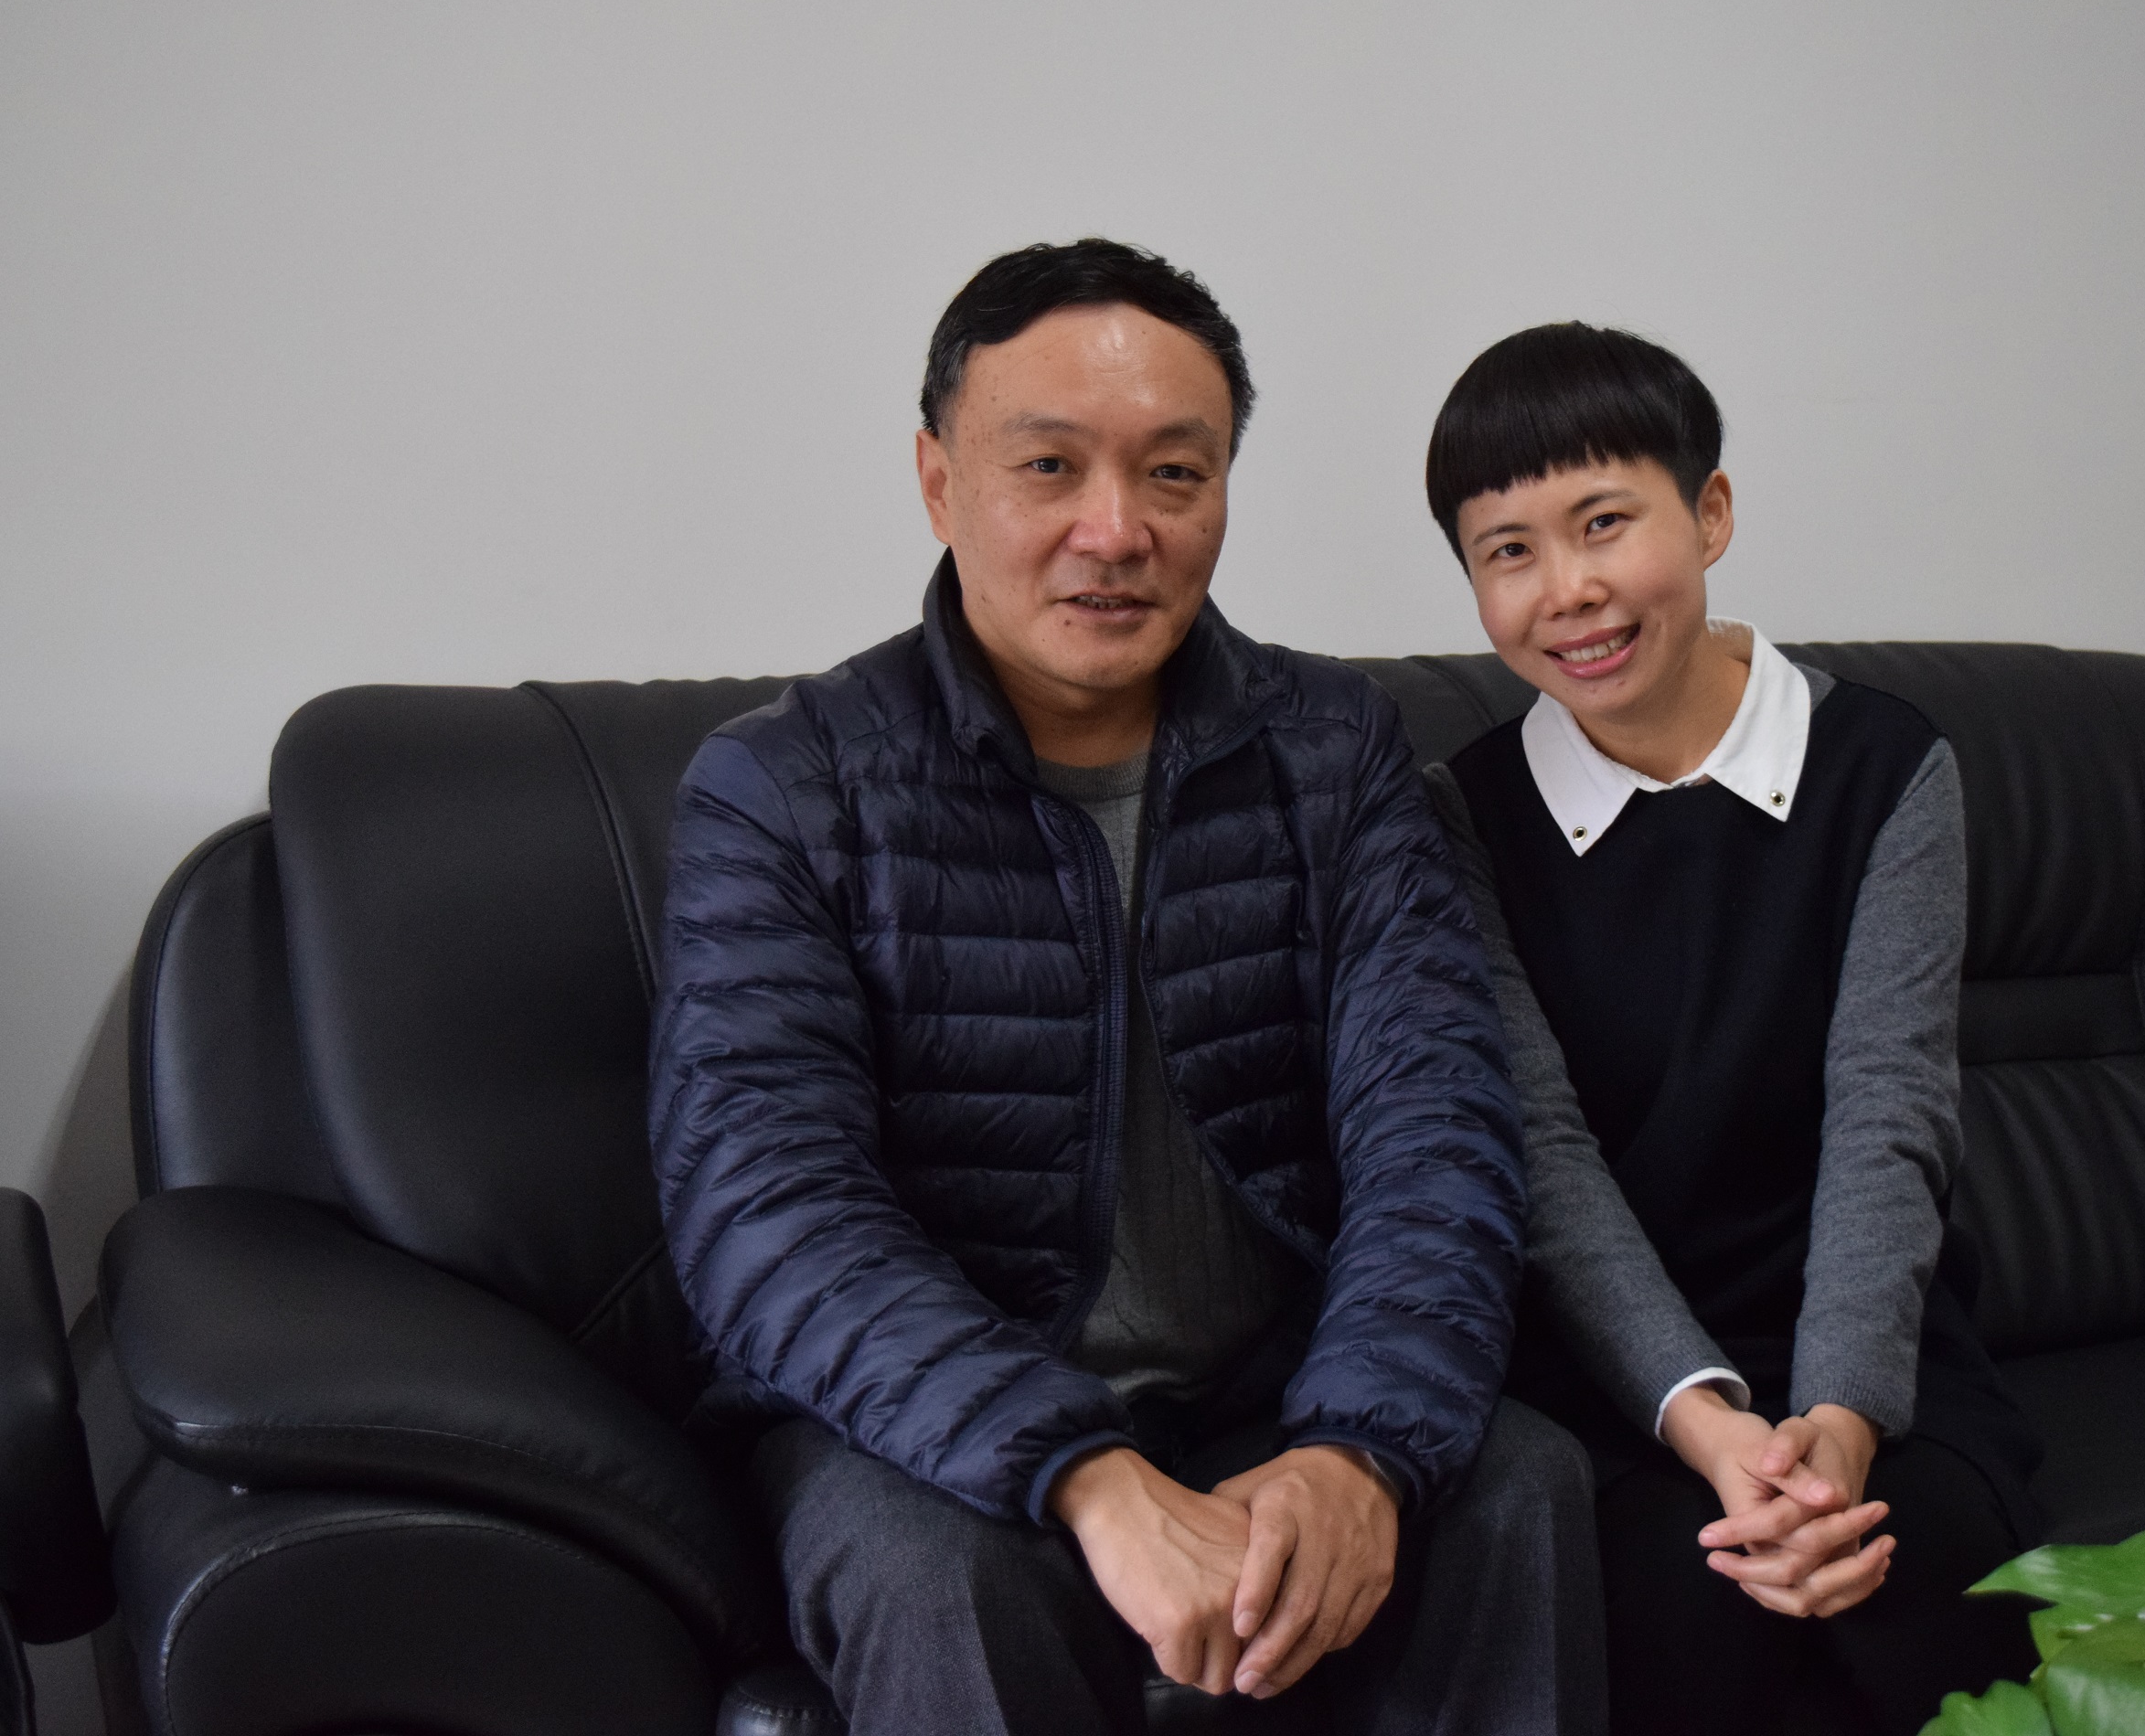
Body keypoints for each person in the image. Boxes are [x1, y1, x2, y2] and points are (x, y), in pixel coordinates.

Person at [650, 240, 1600, 1734]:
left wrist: (1355, 1447)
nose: (1117, 530)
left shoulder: (1333, 750)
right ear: (937, 480)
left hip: (1271, 1389)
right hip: (916, 1423)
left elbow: (1437, 1130)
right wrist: (1084, 1474)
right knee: (947, 1577)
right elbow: (766, 1207)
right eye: (1049, 467)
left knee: (1518, 1484)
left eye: (1175, 474)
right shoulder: (785, 787)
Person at [1416, 323, 2046, 1733]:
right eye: (1508, 550)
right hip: (1612, 1378)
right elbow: (1543, 1158)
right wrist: (1709, 1424)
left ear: (1709, 514)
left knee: (1916, 1591)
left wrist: (1840, 1421)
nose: (1568, 589)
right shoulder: (1461, 817)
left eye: (1603, 523)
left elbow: (1889, 1120)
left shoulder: (1887, 766)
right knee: (1701, 1619)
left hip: (1870, 1351)